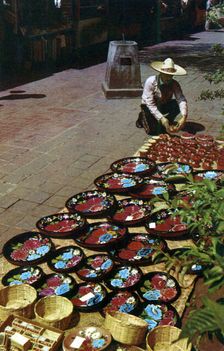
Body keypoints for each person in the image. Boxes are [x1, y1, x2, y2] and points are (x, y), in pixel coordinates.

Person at [136, 57, 188, 135]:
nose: (168, 78)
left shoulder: (174, 84)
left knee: (176, 104)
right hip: (148, 106)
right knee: (153, 132)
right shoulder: (151, 81)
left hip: (162, 104)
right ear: (161, 73)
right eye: (166, 75)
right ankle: (142, 117)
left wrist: (184, 117)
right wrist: (162, 118)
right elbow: (150, 104)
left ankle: (167, 121)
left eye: (170, 75)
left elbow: (181, 98)